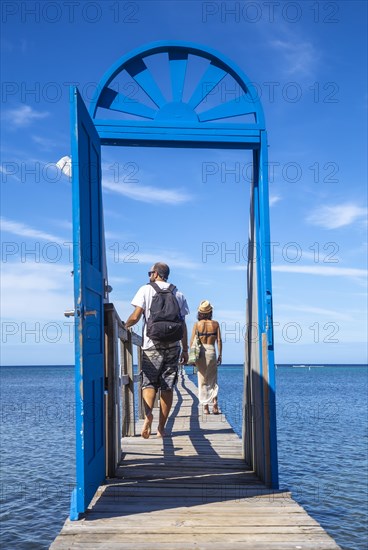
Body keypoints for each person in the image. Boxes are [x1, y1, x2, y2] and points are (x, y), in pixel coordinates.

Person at [125, 262, 189, 438]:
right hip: (173, 345)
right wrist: (185, 349)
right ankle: (162, 428)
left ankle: (148, 416)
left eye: (150, 273)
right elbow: (183, 324)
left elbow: (136, 316)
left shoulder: (146, 290)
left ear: (155, 274)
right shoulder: (179, 293)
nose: (149, 276)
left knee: (149, 382)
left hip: (151, 344)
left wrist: (124, 326)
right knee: (167, 386)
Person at [190, 300, 222, 415]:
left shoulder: (197, 325)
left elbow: (192, 342)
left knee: (202, 379)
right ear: (210, 312)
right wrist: (220, 355)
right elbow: (219, 340)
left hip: (201, 352)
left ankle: (205, 407)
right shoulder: (216, 324)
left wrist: (192, 357)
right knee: (213, 379)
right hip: (212, 350)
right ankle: (215, 405)